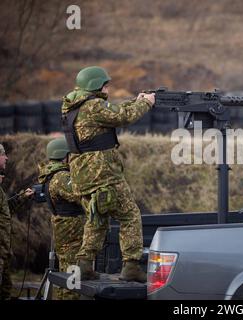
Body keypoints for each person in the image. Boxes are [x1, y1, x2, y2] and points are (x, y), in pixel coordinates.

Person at [61, 66, 155, 282]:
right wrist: (146, 102)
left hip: (83, 174)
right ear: (95, 85)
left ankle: (84, 264)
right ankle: (131, 266)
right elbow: (123, 117)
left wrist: (135, 100)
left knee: (97, 217)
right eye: (104, 84)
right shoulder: (93, 106)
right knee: (130, 215)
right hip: (102, 174)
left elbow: (110, 114)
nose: (107, 88)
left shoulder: (73, 106)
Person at [37, 137, 85, 299]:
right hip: (71, 232)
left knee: (67, 272)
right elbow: (80, 194)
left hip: (67, 231)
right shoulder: (61, 177)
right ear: (65, 156)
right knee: (72, 276)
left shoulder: (52, 174)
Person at [0, 143, 33, 299]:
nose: (6, 157)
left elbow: (4, 211)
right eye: (3, 154)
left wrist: (22, 197)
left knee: (5, 289)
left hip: (4, 251)